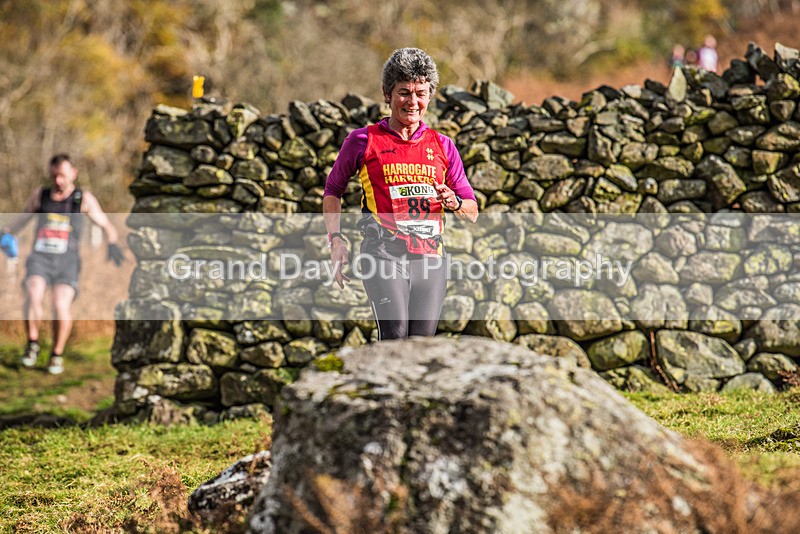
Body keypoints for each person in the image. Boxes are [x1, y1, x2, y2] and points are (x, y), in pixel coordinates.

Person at [323, 47, 478, 340]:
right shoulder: (362, 141)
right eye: (404, 92)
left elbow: (471, 211)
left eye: (420, 93)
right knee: (395, 336)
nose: (413, 101)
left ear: (430, 95)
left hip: (430, 258)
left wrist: (454, 201)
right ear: (387, 93)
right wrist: (336, 239)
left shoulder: (443, 145)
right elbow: (333, 190)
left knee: (422, 345)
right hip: (383, 253)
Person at [0, 154, 125, 374]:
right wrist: (6, 233)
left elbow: (104, 222)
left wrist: (113, 242)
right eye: (55, 175)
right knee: (33, 293)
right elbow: (22, 218)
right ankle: (33, 344)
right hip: (40, 258)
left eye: (63, 176)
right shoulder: (41, 195)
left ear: (73, 174)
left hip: (67, 262)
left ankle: (56, 355)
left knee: (60, 305)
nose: (58, 181)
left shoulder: (82, 198)